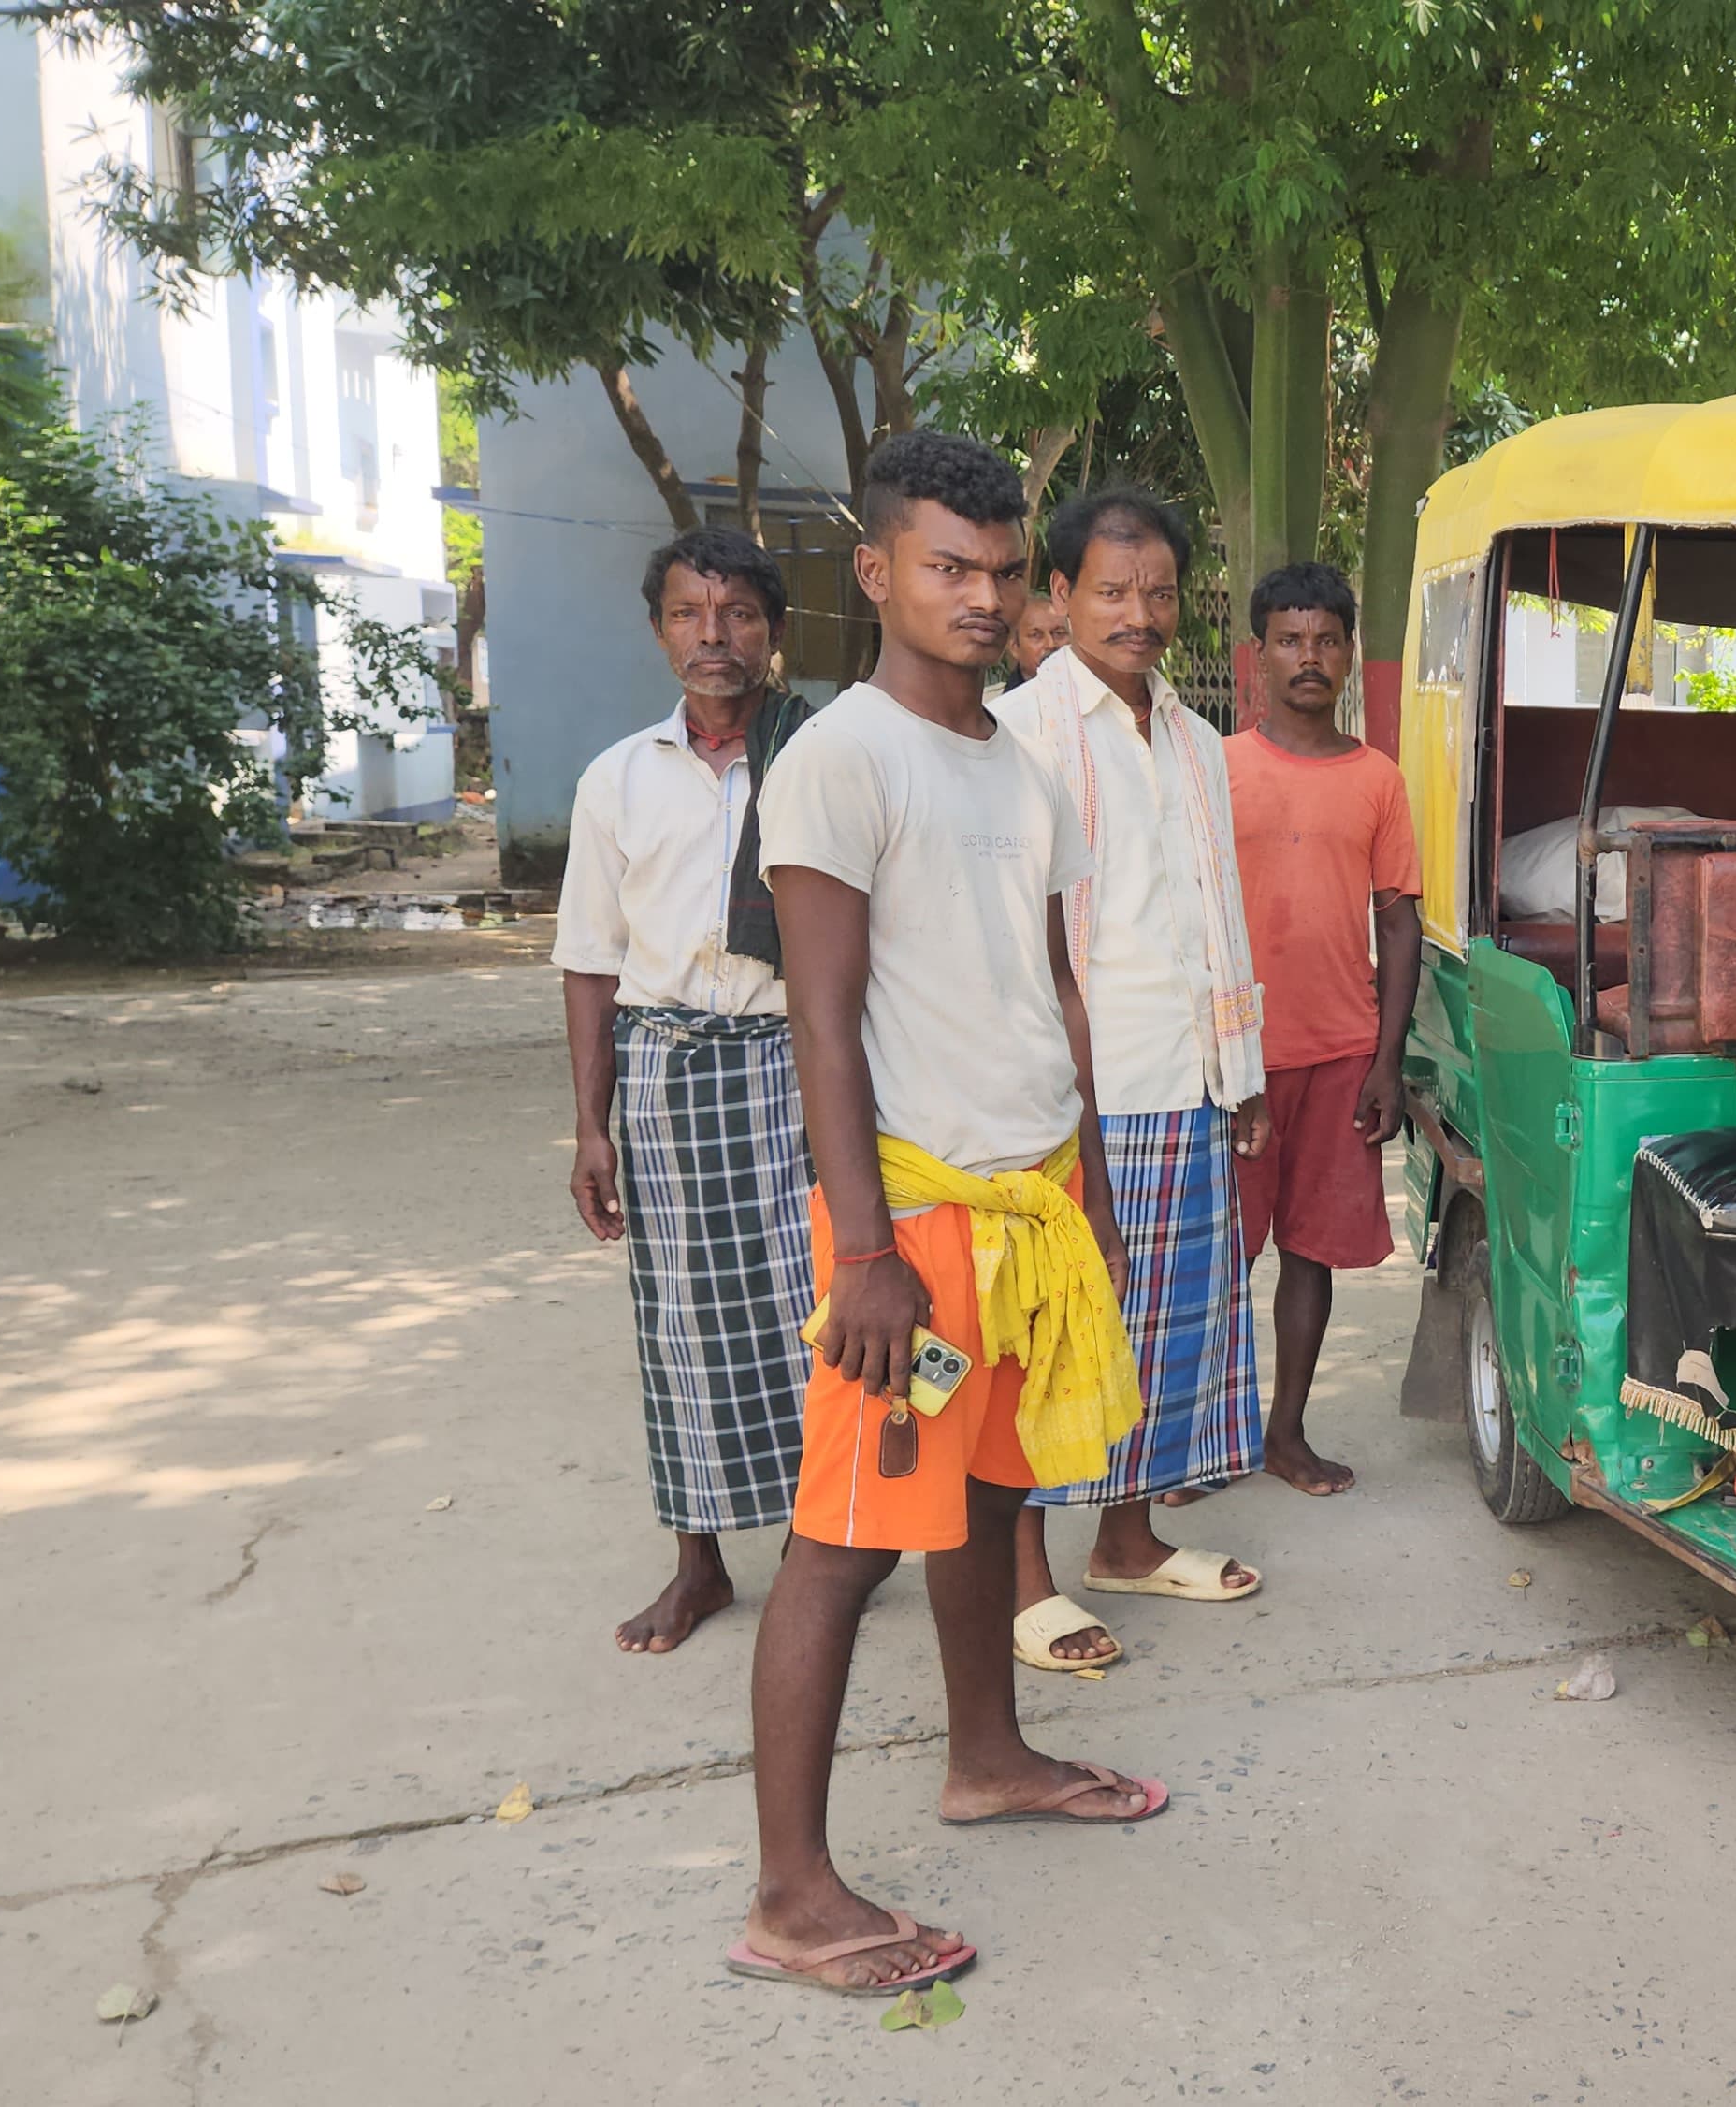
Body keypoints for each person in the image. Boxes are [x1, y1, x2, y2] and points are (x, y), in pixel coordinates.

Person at [734, 429, 1165, 1998]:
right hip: (909, 1232)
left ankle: (986, 1754)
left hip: (1028, 1209)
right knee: (843, 1544)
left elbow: (1056, 992)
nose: (982, 598)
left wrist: (1095, 1189)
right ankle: (790, 1892)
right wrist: (861, 1255)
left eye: (1000, 571)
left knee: (991, 1501)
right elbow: (823, 1027)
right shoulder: (839, 758)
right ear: (879, 574)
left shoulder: (1018, 763)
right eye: (947, 569)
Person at [990, 487, 1271, 1669]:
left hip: (1187, 1076)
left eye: (1158, 591)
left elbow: (1219, 912)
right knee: (1049, 1338)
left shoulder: (1196, 739)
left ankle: (1128, 1538)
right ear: (1059, 595)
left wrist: (1242, 1066)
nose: (1139, 613)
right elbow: (1011, 937)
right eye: (1112, 590)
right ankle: (1020, 1579)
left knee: (1161, 1334)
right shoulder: (1016, 732)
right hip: (1069, 1091)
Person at [556, 527, 817, 1654]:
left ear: (773, 631)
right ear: (660, 628)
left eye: (738, 615)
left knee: (825, 1308)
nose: (713, 638)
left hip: (800, 1064)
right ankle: (699, 1562)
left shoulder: (815, 759)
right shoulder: (615, 778)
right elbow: (590, 961)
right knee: (681, 1325)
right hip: (666, 1074)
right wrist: (589, 1128)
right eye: (687, 614)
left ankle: (833, 1542)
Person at [1226, 561, 1417, 1497]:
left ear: (1347, 652)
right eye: (1290, 639)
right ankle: (1197, 1442)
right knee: (1212, 1261)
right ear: (1258, 654)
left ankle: (1284, 1433)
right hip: (1232, 1059)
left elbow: (1400, 920)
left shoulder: (1378, 781)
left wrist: (1388, 1058)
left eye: (1327, 639)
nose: (1310, 656)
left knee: (1311, 1251)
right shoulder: (1216, 769)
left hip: (1341, 1053)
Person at [1005, 592, 1067, 686]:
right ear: (1015, 648)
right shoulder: (1003, 700)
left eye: (1059, 633)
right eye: (1036, 635)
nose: (1050, 644)